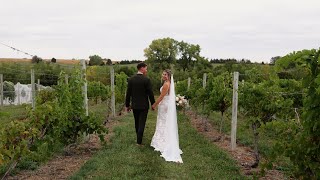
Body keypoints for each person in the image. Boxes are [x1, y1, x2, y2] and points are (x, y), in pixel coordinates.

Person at [151, 69, 183, 163]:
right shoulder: (169, 83)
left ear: (169, 76)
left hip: (164, 105)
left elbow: (161, 97)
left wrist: (154, 105)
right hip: (167, 104)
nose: (163, 75)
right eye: (163, 74)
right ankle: (165, 140)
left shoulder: (166, 84)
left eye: (165, 74)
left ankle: (162, 143)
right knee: (165, 122)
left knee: (162, 122)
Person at [125, 62, 155, 146]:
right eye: (146, 68)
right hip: (144, 105)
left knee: (137, 122)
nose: (146, 70)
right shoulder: (146, 79)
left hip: (135, 105)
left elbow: (128, 93)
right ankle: (139, 142)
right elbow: (150, 93)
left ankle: (138, 139)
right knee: (142, 123)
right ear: (141, 68)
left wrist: (127, 105)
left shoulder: (131, 79)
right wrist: (153, 104)